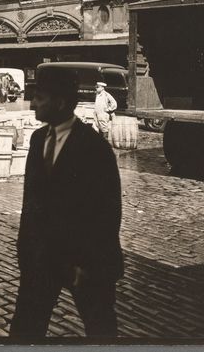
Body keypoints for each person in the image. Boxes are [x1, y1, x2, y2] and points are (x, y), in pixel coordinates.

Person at [10, 68, 123, 339]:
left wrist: (88, 263)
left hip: (83, 263)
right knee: (25, 329)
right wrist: (26, 251)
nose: (33, 104)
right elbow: (32, 201)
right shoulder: (38, 140)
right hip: (41, 258)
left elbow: (108, 212)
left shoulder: (94, 147)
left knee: (100, 329)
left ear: (60, 103)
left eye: (39, 98)